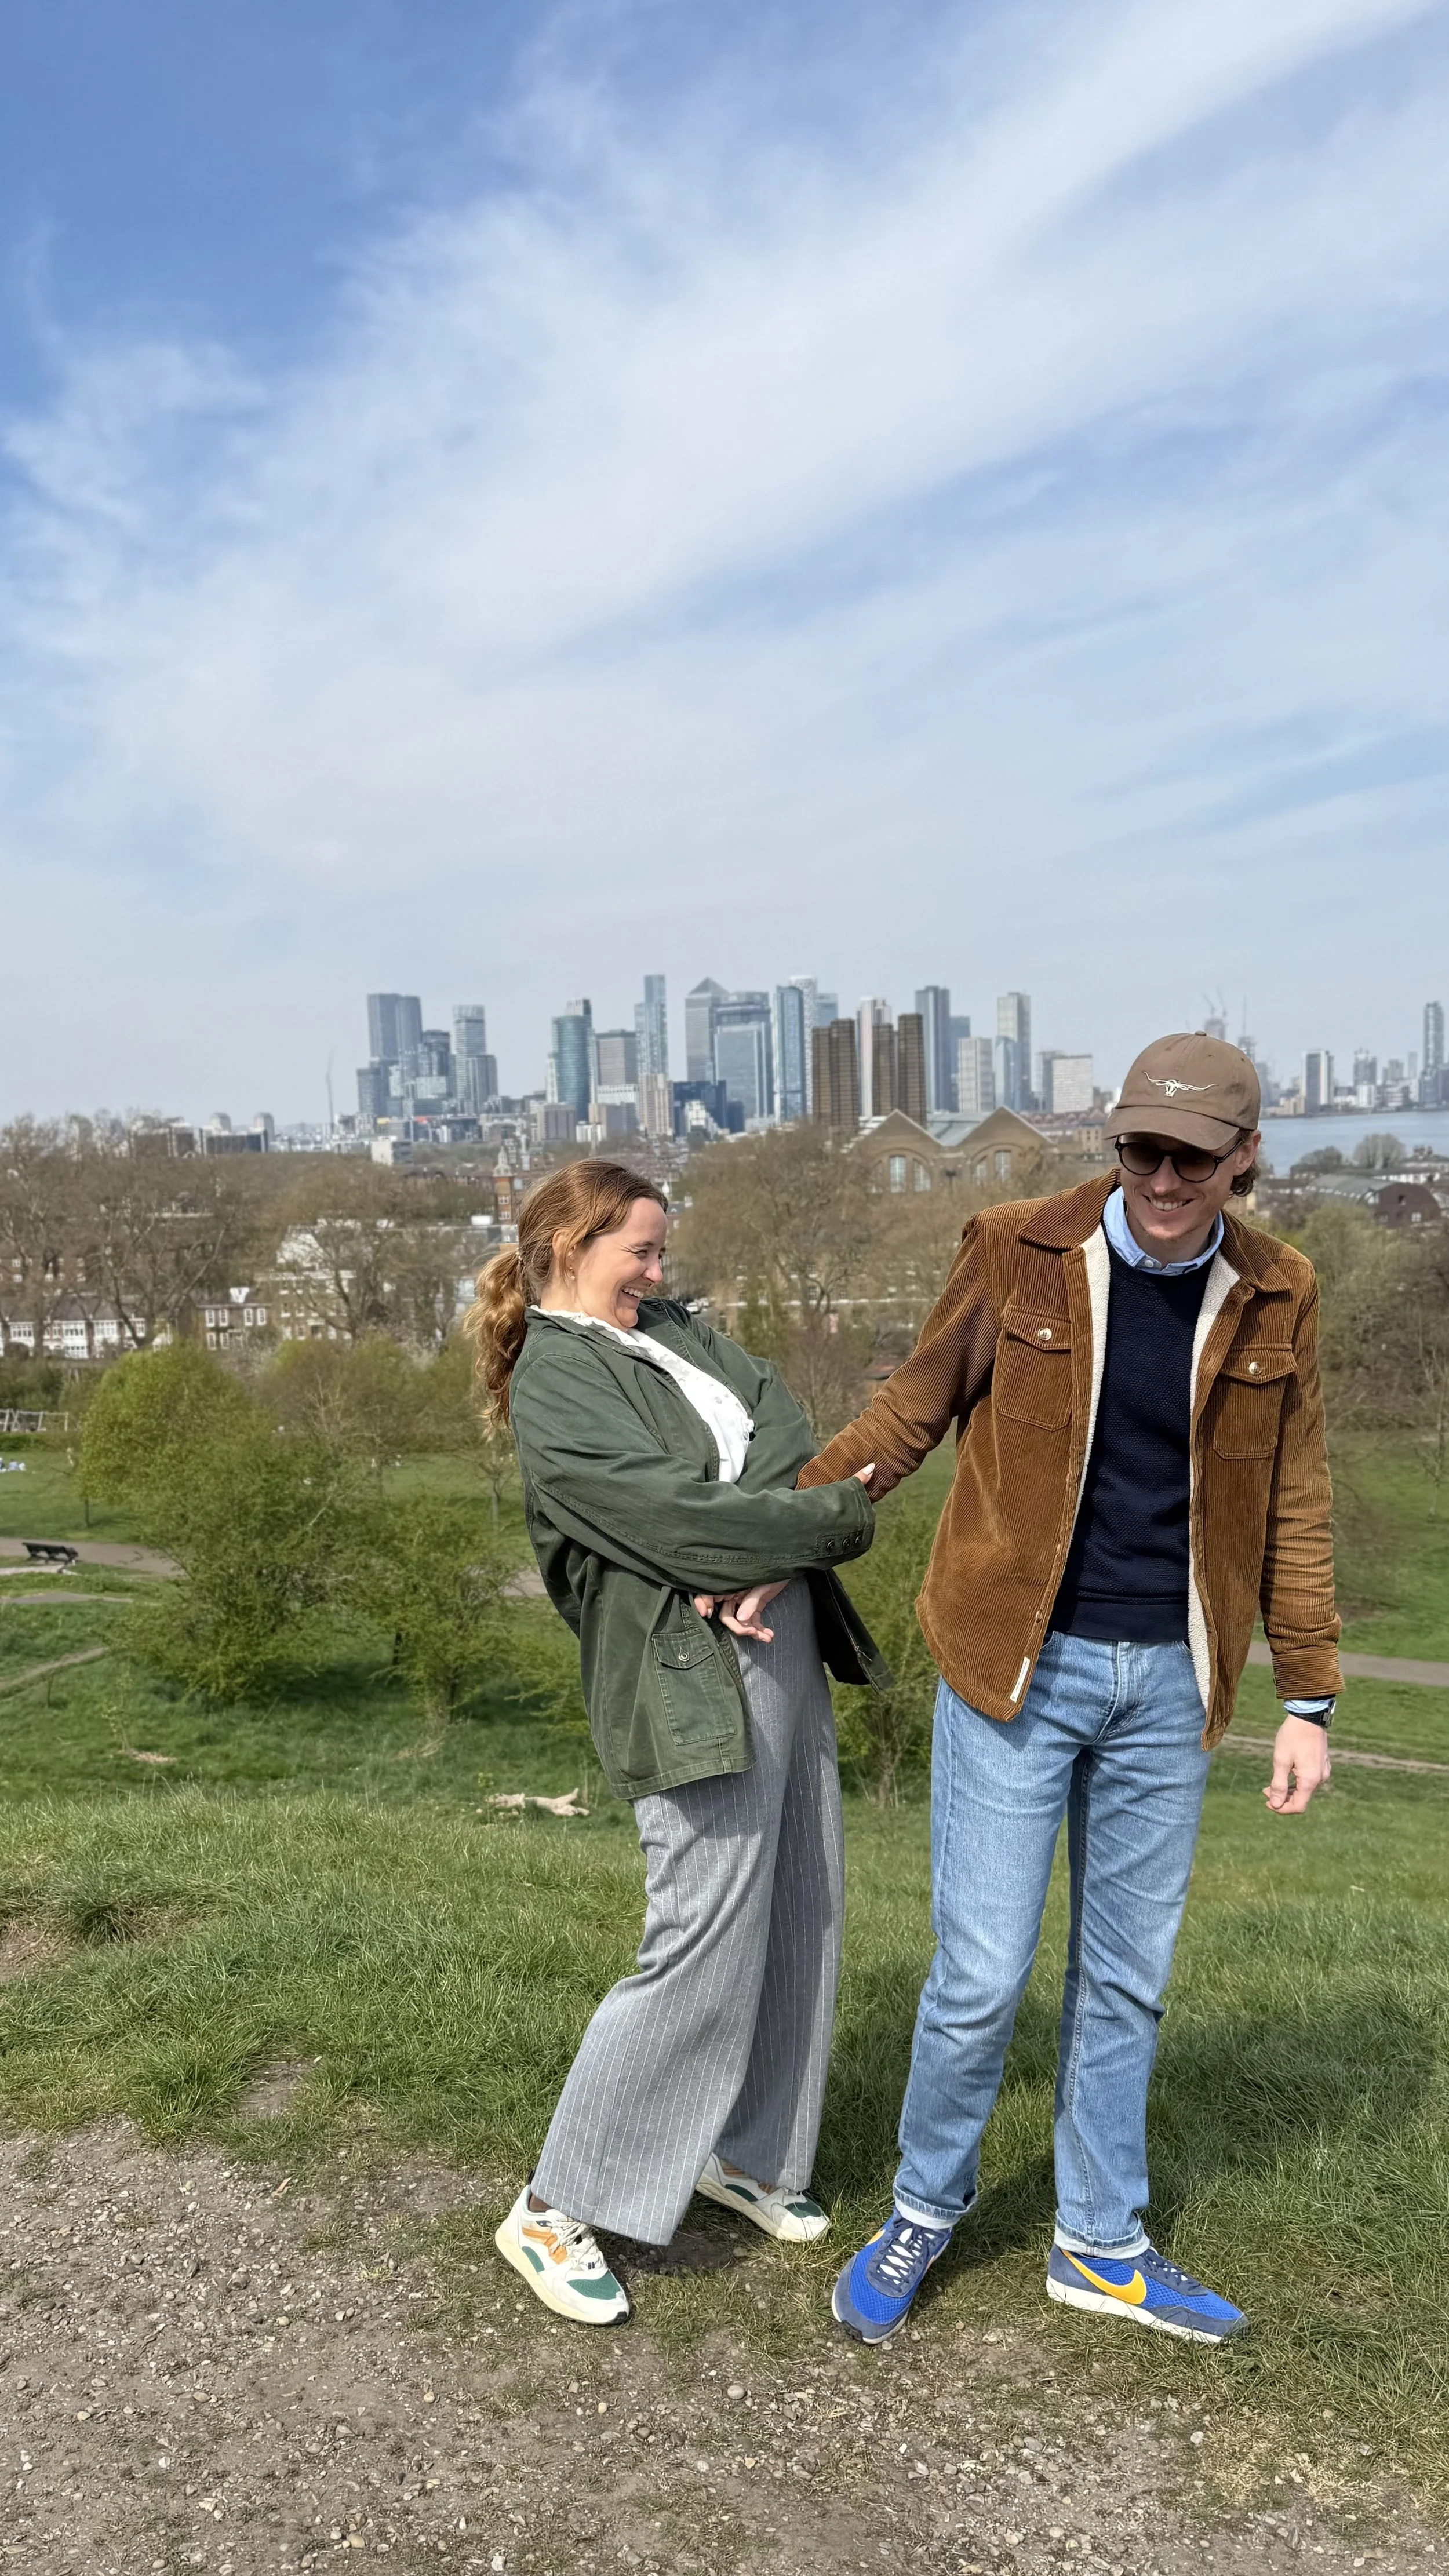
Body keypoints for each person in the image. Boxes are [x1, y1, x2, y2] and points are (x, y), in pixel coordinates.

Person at [783, 1033, 1339, 2348]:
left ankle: (1099, 2239)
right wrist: (778, 1539)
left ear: (1244, 1157)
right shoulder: (1015, 1246)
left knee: (1125, 1981)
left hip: (1173, 1683)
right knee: (979, 1976)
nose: (1161, 1178)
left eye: (1190, 1157)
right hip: (1012, 1668)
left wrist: (1307, 1699)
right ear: (1116, 1143)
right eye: (1140, 1149)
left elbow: (1294, 1496)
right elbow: (906, 1414)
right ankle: (923, 2205)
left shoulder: (1280, 1289)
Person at [465, 1158, 887, 2327]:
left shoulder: (673, 1332)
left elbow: (782, 1425)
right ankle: (554, 2205)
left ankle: (747, 2155)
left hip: (777, 1633)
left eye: (661, 1251)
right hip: (683, 1671)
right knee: (700, 1931)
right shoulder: (556, 1374)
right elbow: (668, 1516)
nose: (657, 1272)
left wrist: (763, 1547)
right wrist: (822, 1520)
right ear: (567, 1247)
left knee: (799, 1905)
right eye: (638, 1252)